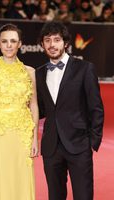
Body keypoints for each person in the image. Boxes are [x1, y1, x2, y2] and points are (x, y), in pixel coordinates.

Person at [36, 21, 104, 200]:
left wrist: (93, 141)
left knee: (83, 196)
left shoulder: (85, 68)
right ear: (42, 44)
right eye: (47, 40)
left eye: (57, 40)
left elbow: (96, 108)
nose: (52, 44)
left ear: (65, 43)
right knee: (55, 196)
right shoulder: (39, 73)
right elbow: (42, 108)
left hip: (79, 144)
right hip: (51, 147)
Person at [0, 23, 39, 200]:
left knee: (20, 177)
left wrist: (35, 137)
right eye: (4, 41)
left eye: (13, 41)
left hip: (22, 135)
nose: (9, 45)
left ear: (20, 44)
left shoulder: (30, 72)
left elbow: (34, 106)